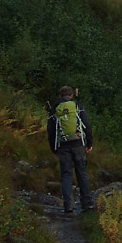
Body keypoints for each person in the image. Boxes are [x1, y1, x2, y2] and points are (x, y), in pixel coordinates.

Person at [47, 86, 95, 214]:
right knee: (82, 173)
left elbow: (51, 132)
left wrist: (54, 148)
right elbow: (87, 125)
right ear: (71, 95)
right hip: (78, 144)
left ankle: (68, 206)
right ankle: (87, 204)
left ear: (60, 96)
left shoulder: (54, 110)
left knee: (66, 175)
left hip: (63, 146)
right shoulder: (77, 106)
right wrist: (89, 143)